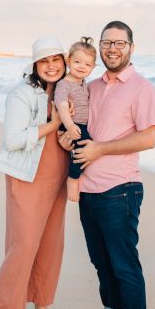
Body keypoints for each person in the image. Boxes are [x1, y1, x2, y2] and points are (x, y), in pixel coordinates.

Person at [62, 21, 155, 309]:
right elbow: (82, 130)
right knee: (101, 261)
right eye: (107, 43)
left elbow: (149, 138)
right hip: (88, 189)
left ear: (132, 47)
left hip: (121, 189)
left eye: (119, 42)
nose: (112, 48)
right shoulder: (92, 87)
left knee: (123, 263)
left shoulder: (141, 88)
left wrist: (100, 149)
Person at [0, 36, 69, 309]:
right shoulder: (22, 94)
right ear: (35, 65)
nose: (51, 66)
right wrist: (53, 123)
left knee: (51, 246)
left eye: (55, 60)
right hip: (26, 176)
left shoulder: (65, 92)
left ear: (63, 62)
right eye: (44, 61)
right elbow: (13, 140)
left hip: (57, 177)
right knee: (22, 246)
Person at [53, 37, 98, 202]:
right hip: (71, 125)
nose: (82, 67)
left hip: (78, 125)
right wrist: (70, 125)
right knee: (84, 148)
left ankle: (78, 174)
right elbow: (62, 105)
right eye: (78, 61)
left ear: (93, 67)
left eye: (88, 64)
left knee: (84, 150)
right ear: (68, 60)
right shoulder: (64, 84)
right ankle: (72, 179)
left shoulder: (83, 82)